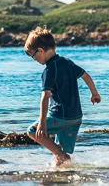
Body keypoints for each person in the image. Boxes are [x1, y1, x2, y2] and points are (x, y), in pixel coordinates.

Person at [24, 27, 101, 166]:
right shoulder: (67, 62)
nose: (34, 59)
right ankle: (62, 182)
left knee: (32, 131)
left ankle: (59, 155)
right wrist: (94, 93)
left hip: (59, 117)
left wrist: (42, 123)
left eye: (33, 56)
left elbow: (45, 97)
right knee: (63, 156)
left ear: (40, 50)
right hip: (76, 118)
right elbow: (86, 75)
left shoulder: (49, 70)